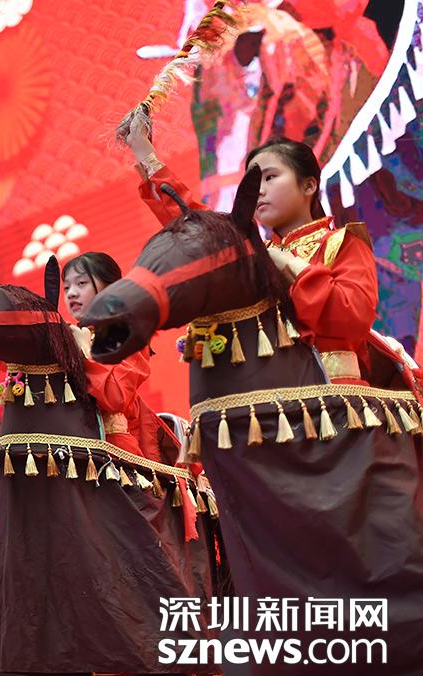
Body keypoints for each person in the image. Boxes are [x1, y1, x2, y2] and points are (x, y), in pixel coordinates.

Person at [128, 122, 378, 385]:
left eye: (270, 177)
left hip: (335, 395)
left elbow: (352, 318)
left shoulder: (341, 243)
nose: (258, 190)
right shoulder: (254, 255)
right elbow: (198, 226)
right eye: (253, 182)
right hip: (265, 396)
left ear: (308, 186)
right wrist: (145, 154)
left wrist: (288, 264)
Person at [63, 252, 162, 460]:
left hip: (115, 452)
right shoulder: (65, 337)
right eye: (66, 287)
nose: (71, 293)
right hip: (70, 449)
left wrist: (85, 355)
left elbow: (115, 398)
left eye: (81, 283)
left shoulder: (127, 332)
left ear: (110, 287)